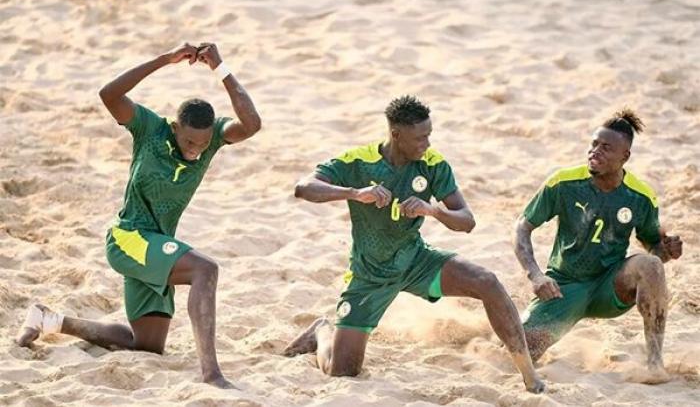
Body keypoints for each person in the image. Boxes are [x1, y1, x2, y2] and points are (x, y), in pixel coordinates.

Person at [17, 42, 261, 389]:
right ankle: (212, 373)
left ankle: (49, 319)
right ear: (175, 127)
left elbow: (251, 124)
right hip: (128, 237)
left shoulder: (211, 140)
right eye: (190, 142)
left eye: (202, 145)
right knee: (206, 270)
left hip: (158, 244)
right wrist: (165, 60)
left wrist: (220, 68)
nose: (196, 151)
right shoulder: (150, 129)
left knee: (144, 346)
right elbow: (108, 94)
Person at [283, 95, 544, 393]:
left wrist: (433, 210)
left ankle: (527, 372)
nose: (427, 144)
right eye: (420, 138)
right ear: (396, 135)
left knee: (487, 281)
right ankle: (322, 331)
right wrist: (355, 193)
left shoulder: (433, 165)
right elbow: (304, 188)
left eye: (429, 135)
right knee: (343, 372)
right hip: (369, 274)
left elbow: (467, 221)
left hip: (416, 261)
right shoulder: (359, 160)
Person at [514, 110, 683, 383]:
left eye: (606, 148)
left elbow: (654, 248)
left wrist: (667, 251)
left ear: (625, 156)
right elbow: (522, 227)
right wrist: (535, 274)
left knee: (649, 265)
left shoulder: (641, 196)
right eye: (593, 144)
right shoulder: (564, 182)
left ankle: (655, 362)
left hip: (609, 284)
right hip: (564, 285)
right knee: (519, 351)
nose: (595, 151)